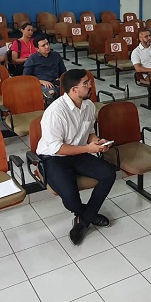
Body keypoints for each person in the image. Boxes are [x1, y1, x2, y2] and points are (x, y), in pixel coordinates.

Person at [36, 69, 115, 245]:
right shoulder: (56, 112)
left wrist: (97, 142)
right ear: (73, 89)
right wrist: (88, 148)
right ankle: (89, 214)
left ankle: (83, 221)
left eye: (89, 82)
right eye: (86, 84)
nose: (90, 86)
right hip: (54, 157)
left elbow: (89, 132)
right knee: (71, 199)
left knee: (109, 174)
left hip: (78, 151)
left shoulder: (89, 106)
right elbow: (56, 148)